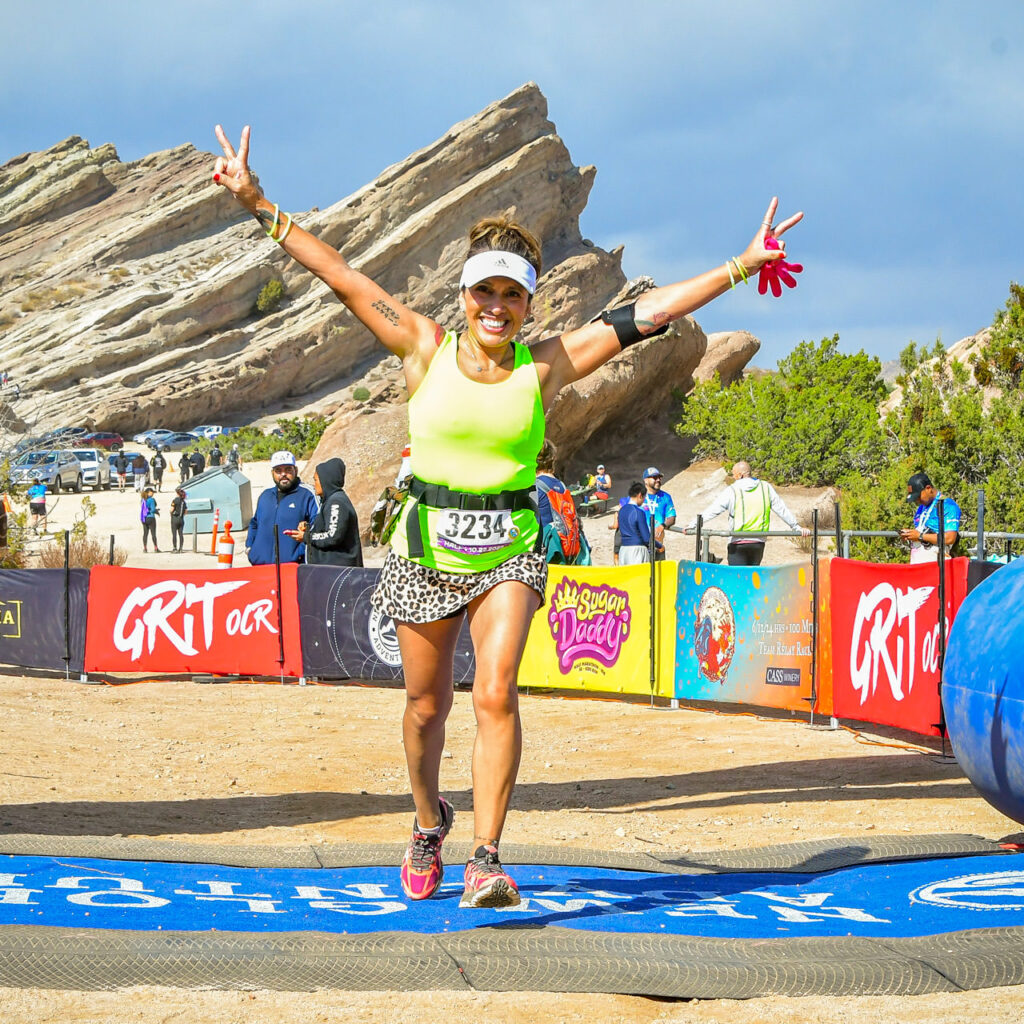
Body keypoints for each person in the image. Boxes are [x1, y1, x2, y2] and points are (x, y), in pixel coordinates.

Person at [212, 121, 802, 908]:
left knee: (495, 694)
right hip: (426, 544)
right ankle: (429, 822)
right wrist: (259, 203)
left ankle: (486, 855)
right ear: (465, 297)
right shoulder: (422, 348)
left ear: (528, 304)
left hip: (511, 545)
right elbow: (344, 277)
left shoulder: (545, 364)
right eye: (485, 291)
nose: (497, 305)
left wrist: (740, 264)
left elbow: (644, 315)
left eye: (512, 293)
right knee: (426, 708)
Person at [684, 460, 809, 565]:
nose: (733, 478)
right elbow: (781, 509)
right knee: (752, 580)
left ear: (740, 475)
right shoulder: (766, 487)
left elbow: (713, 510)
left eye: (734, 475)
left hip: (737, 542)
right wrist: (796, 527)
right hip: (758, 543)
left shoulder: (732, 490)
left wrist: (692, 524)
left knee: (737, 582)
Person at [245, 450, 320, 565]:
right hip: (260, 567)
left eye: (288, 469)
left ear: (295, 470)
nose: (283, 474)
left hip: (293, 568)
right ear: (272, 473)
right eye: (278, 470)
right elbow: (254, 523)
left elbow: (318, 526)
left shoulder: (308, 494)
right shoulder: (265, 495)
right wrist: (250, 548)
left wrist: (299, 554)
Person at [289, 458, 363, 566]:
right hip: (332, 570)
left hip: (338, 571)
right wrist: (308, 528)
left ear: (325, 480)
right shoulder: (330, 501)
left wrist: (306, 536)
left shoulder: (336, 502)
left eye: (316, 480)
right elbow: (329, 528)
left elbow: (332, 536)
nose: (314, 485)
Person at [535, 439, 588, 565]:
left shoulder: (535, 487)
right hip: (566, 552)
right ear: (552, 459)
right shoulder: (562, 486)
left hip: (547, 555)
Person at [900, 471, 961, 563]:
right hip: (918, 560)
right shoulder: (921, 508)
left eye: (918, 496)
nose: (917, 500)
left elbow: (950, 538)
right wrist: (910, 535)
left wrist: (920, 536)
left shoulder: (948, 506)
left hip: (936, 562)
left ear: (928, 488)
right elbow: (921, 531)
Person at [618, 482, 659, 564]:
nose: (644, 500)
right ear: (640, 495)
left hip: (623, 550)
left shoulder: (621, 510)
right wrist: (659, 545)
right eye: (644, 497)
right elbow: (647, 538)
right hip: (637, 550)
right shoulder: (638, 512)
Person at [641, 467, 676, 560]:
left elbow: (672, 517)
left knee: (658, 572)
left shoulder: (666, 497)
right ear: (645, 480)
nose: (658, 480)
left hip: (657, 544)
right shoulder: (638, 496)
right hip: (640, 544)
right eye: (654, 477)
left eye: (659, 477)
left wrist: (662, 525)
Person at [140, 487, 159, 552]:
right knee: (153, 534)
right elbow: (153, 509)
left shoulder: (142, 500)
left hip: (143, 518)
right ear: (149, 492)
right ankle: (156, 548)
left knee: (145, 533)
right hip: (151, 517)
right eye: (152, 492)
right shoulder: (151, 499)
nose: (153, 493)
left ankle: (145, 548)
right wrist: (156, 511)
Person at [169, 487, 187, 553]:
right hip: (181, 519)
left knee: (174, 534)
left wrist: (171, 514)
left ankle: (175, 548)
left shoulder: (175, 500)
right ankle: (181, 548)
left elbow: (171, 510)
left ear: (177, 494)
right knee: (181, 534)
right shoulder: (183, 502)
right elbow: (186, 511)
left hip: (175, 519)